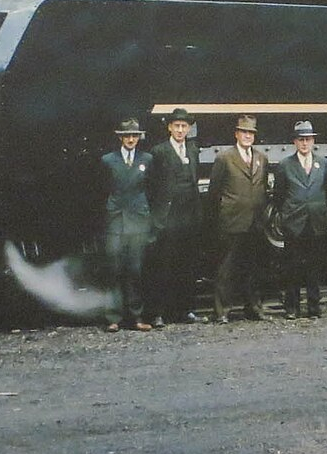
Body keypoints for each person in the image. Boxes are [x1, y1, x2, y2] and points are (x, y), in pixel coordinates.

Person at [144, 108, 203, 325]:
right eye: (176, 126)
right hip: (167, 218)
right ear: (169, 127)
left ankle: (185, 310)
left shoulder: (193, 150)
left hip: (188, 216)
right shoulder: (159, 152)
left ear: (188, 129)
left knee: (186, 265)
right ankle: (158, 312)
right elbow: (150, 186)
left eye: (184, 126)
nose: (180, 130)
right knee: (163, 265)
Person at [208, 115, 270, 322]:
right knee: (227, 268)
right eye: (244, 132)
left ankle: (253, 308)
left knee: (253, 268)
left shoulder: (261, 158)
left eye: (251, 133)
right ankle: (222, 311)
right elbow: (214, 192)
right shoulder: (224, 158)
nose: (247, 136)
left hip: (255, 222)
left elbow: (262, 187)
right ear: (236, 134)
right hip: (231, 221)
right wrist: (220, 217)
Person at [271, 120, 327, 319]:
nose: (305, 143)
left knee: (314, 267)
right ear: (295, 142)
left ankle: (314, 307)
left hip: (315, 222)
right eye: (301, 139)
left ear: (313, 141)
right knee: (292, 267)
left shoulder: (324, 164)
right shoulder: (285, 165)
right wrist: (288, 214)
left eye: (308, 139)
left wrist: (316, 208)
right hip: (294, 223)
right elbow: (279, 195)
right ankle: (292, 308)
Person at [101, 118, 155, 332]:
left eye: (134, 136)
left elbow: (152, 189)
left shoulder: (147, 159)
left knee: (135, 269)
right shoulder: (108, 160)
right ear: (120, 138)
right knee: (114, 269)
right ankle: (113, 317)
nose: (131, 139)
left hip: (138, 220)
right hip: (115, 221)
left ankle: (137, 316)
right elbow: (101, 190)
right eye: (127, 136)